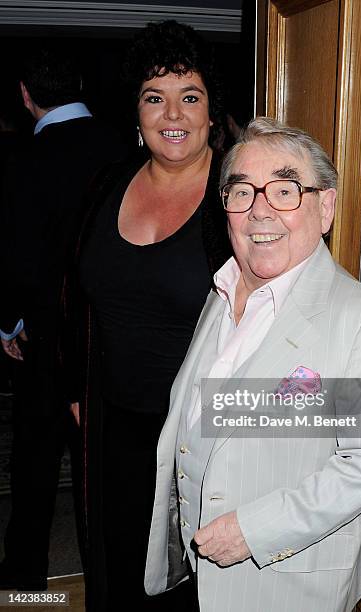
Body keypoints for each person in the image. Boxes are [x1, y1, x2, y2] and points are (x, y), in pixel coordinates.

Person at [144, 117, 361, 611]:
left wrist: (251, 530)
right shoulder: (222, 291)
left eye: (285, 191)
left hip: (282, 585)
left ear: (324, 207)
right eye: (242, 192)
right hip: (196, 576)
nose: (259, 211)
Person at [68, 20, 230, 611]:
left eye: (191, 97)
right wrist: (75, 385)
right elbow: (77, 294)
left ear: (213, 110)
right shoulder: (108, 183)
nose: (173, 114)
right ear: (135, 113)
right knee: (118, 568)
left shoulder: (235, 197)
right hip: (112, 428)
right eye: (154, 97)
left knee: (189, 582)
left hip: (200, 440)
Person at [0, 48, 125, 591]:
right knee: (103, 463)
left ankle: (27, 581)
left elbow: (11, 253)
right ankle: (110, 577)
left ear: (27, 96)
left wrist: (7, 324)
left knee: (35, 461)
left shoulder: (21, 159)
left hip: (47, 334)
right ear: (79, 83)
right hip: (111, 334)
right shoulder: (125, 148)